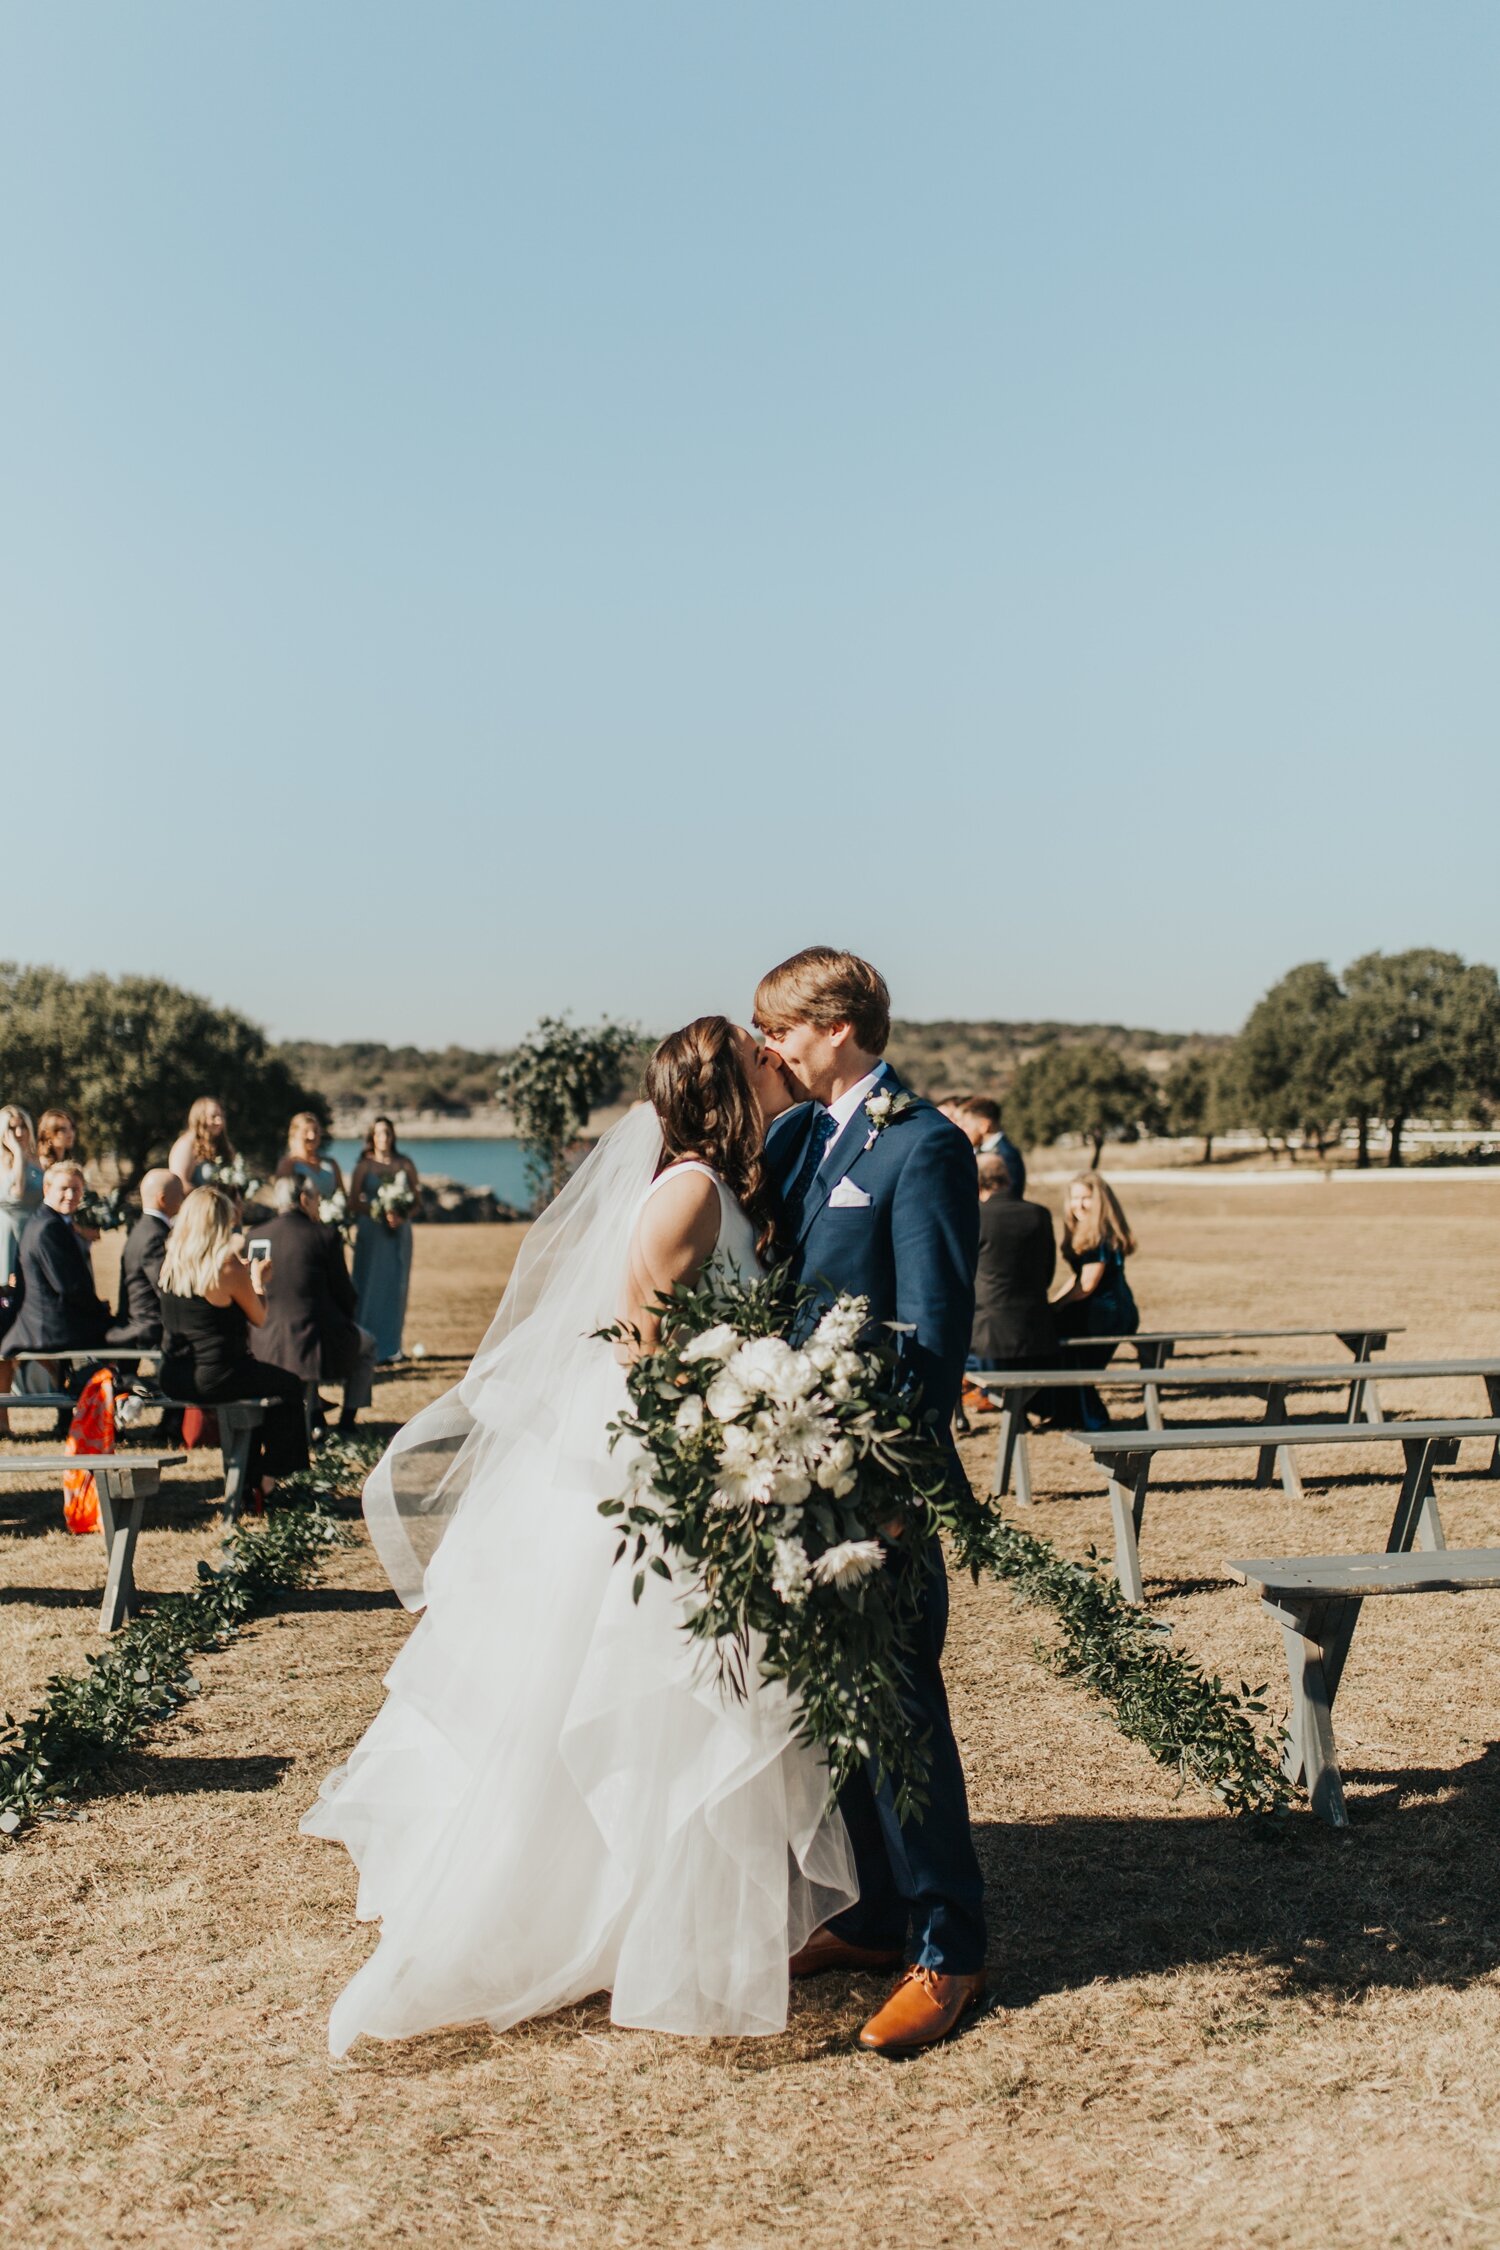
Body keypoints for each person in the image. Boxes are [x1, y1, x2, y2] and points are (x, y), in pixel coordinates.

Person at [303, 1015, 853, 2058]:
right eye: (756, 1057)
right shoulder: (690, 1191)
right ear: (724, 1088)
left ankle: (640, 1901)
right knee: (620, 1694)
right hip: (659, 1470)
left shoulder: (724, 1187)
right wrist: (718, 1451)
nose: (775, 1061)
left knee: (662, 1705)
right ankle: (578, 1909)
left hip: (692, 1451)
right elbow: (643, 1355)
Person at [755, 947, 987, 2058]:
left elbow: (932, 1338)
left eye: (783, 1029)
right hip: (792, 1470)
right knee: (832, 1705)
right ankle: (876, 1913)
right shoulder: (804, 1138)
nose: (773, 1048)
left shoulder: (926, 1144)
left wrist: (890, 1486)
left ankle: (950, 1944)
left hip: (875, 1481)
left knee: (901, 1709)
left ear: (837, 1024)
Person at [157, 1187, 308, 1500]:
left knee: (261, 1390)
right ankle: (267, 1478)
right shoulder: (226, 1265)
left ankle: (251, 1479)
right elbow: (260, 1318)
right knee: (291, 1386)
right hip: (217, 1375)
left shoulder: (172, 1261)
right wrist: (257, 1280)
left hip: (174, 1375)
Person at [250, 1175, 376, 1430]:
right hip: (313, 1341)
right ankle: (347, 1421)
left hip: (261, 1340)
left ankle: (316, 1414)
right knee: (369, 1344)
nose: (318, 1204)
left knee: (313, 1329)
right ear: (304, 1199)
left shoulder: (255, 1236)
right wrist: (345, 1318)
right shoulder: (324, 1237)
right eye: (317, 1198)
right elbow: (344, 1293)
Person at [0, 1162, 111, 1374]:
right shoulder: (49, 1227)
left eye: (76, 1189)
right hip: (50, 1325)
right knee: (118, 1336)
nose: (70, 1195)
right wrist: (100, 1312)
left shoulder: (48, 1221)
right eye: (64, 1189)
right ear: (46, 1189)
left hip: (49, 1320)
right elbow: (68, 1287)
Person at [1051, 1171, 1140, 1428]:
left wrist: (1058, 1306)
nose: (1078, 1204)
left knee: (1074, 1359)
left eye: (1086, 1198)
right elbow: (1078, 1277)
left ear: (1100, 1200)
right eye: (1074, 1198)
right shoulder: (1091, 1231)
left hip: (1106, 1312)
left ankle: (1092, 1418)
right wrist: (1055, 1303)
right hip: (1105, 1307)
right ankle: (1069, 1414)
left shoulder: (1098, 1235)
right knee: (1067, 1354)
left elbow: (1087, 1285)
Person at [970, 1154, 1057, 1371]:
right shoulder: (1039, 1214)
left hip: (987, 1333)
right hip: (1035, 1328)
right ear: (1007, 1179)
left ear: (977, 1182)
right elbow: (1048, 1270)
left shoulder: (977, 1217)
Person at [350, 1118, 420, 1362]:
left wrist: (402, 1216)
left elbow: (417, 1201)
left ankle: (393, 1347)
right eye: (379, 1133)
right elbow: (353, 1201)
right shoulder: (364, 1166)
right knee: (368, 1285)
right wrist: (377, 1211)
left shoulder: (405, 1164)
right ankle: (364, 1344)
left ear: (393, 1136)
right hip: (371, 1232)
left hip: (398, 1233)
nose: (384, 1138)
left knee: (396, 1286)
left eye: (388, 1133)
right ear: (372, 1136)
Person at [108, 1169, 184, 1347]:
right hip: (153, 1327)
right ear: (163, 1199)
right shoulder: (155, 1236)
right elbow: (167, 1286)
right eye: (180, 1194)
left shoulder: (141, 1229)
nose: (184, 1199)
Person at [955, 1095, 1026, 1197]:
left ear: (984, 1125)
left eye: (966, 1126)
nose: (962, 1131)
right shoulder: (977, 1151)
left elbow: (1010, 1195)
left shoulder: (1006, 1155)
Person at [168, 1098, 236, 1191]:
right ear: (200, 1118)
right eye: (213, 1116)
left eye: (221, 1116)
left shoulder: (223, 1145)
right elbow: (180, 1185)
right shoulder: (186, 1145)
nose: (219, 1121)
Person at [275, 1112, 345, 1202]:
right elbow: (283, 1200)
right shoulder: (288, 1164)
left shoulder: (331, 1163)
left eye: (316, 1131)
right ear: (294, 1134)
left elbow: (342, 1194)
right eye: (306, 1131)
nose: (312, 1136)